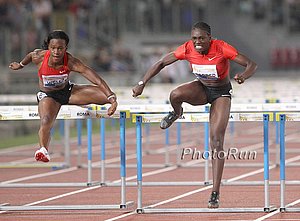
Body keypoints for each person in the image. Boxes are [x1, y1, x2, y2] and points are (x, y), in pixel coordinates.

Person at [132, 21, 257, 208]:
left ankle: (215, 192)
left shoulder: (222, 47)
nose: (197, 42)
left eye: (201, 39)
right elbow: (161, 63)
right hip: (202, 88)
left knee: (216, 140)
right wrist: (142, 83)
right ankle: (176, 112)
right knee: (175, 95)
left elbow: (251, 63)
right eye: (194, 38)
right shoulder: (187, 48)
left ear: (210, 38)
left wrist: (243, 76)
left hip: (221, 93)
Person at [9, 30, 118, 163]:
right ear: (48, 47)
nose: (56, 52)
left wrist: (112, 98)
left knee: (104, 96)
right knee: (46, 120)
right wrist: (20, 65)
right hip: (49, 96)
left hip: (68, 92)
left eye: (60, 48)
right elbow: (30, 56)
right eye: (53, 48)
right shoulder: (39, 56)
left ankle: (86, 101)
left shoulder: (71, 61)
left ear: (65, 48)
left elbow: (96, 79)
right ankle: (43, 150)